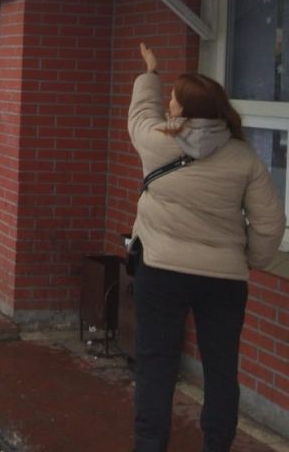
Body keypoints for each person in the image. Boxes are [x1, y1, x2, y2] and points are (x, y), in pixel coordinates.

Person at [127, 43, 285, 452]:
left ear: (183, 109)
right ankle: (217, 445)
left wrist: (151, 73)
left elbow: (140, 114)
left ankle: (150, 445)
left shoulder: (158, 142)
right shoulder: (244, 156)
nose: (169, 104)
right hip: (224, 281)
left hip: (161, 273)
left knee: (156, 365)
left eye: (174, 99)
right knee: (221, 369)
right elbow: (270, 223)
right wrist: (249, 261)